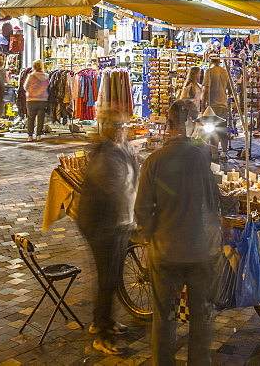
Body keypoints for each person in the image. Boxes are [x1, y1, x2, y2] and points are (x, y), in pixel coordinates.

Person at [135, 99, 221, 365]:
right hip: (199, 249)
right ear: (191, 125)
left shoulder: (154, 161)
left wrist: (149, 235)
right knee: (201, 315)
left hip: (166, 250)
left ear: (168, 125)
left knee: (164, 317)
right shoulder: (201, 156)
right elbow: (214, 198)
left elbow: (142, 210)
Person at [77, 111, 140, 355]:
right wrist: (130, 218)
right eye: (117, 126)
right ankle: (102, 335)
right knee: (107, 279)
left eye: (123, 125)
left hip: (117, 222)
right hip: (103, 225)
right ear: (108, 129)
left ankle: (101, 321)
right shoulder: (104, 154)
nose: (121, 130)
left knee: (112, 276)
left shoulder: (120, 148)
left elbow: (132, 178)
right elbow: (114, 190)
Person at [202, 58, 236, 157]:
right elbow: (230, 89)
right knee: (222, 130)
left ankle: (214, 153)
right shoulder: (225, 72)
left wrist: (203, 106)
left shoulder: (209, 72)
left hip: (212, 105)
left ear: (210, 61)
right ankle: (224, 153)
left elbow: (205, 90)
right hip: (223, 105)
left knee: (212, 130)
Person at [23, 60, 49, 142]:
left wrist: (31, 91)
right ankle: (39, 135)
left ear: (33, 67)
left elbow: (25, 87)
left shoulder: (31, 76)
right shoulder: (47, 76)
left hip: (31, 99)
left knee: (31, 118)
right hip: (43, 99)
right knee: (41, 118)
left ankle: (30, 136)